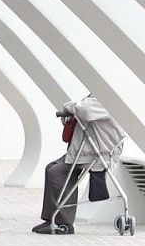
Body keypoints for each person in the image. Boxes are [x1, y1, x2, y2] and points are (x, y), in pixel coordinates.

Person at [33, 94, 123, 235]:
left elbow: (85, 109)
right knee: (52, 168)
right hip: (86, 151)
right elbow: (84, 107)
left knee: (56, 172)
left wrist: (68, 106)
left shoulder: (107, 99)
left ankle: (63, 223)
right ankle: (52, 220)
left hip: (97, 153)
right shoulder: (99, 97)